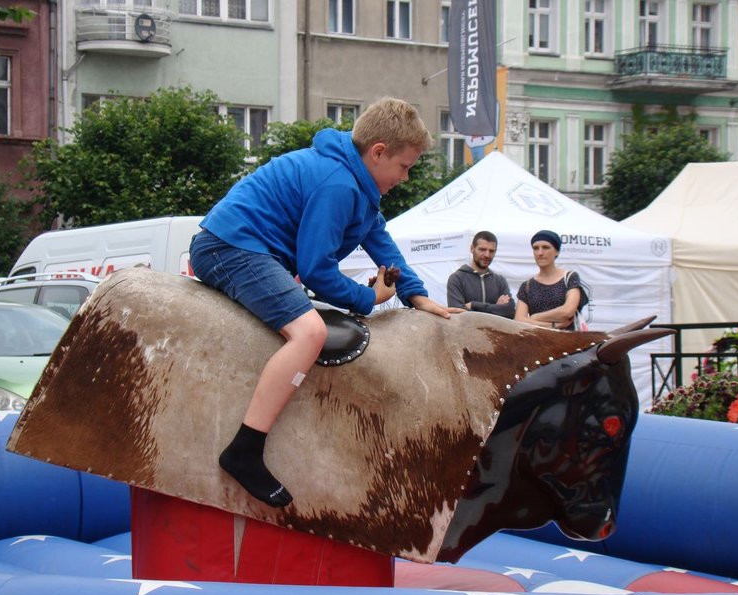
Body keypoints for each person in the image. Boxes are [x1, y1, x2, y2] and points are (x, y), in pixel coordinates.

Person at [189, 98, 459, 509]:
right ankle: (244, 449)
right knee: (310, 332)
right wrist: (368, 298)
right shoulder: (338, 183)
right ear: (379, 152)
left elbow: (382, 243)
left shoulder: (359, 185)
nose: (405, 178)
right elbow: (316, 270)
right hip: (229, 247)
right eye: (405, 167)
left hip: (248, 248)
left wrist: (415, 295)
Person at [514, 229, 582, 331]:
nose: (540, 253)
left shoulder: (569, 278)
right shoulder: (527, 286)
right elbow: (519, 320)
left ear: (557, 251)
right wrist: (554, 326)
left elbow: (568, 311)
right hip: (537, 343)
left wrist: (535, 317)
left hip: (567, 343)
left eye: (546, 247)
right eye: (536, 248)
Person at [446, 231, 515, 318]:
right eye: (482, 249)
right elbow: (458, 314)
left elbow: (510, 311)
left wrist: (474, 305)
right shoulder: (457, 278)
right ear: (472, 248)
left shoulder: (500, 280)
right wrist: (496, 308)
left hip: (494, 332)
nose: (487, 255)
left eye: (491, 251)